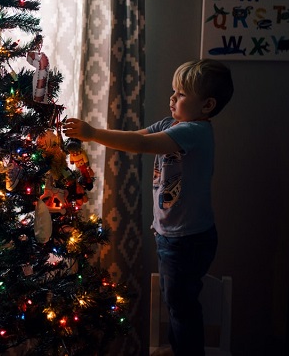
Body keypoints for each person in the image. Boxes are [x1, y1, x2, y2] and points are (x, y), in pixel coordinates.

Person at [63, 59, 233, 356]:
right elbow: (138, 137)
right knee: (178, 303)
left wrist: (92, 134)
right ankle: (181, 348)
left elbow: (140, 146)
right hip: (174, 236)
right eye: (173, 91)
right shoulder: (172, 124)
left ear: (207, 105)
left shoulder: (194, 132)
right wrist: (94, 133)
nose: (172, 98)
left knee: (181, 307)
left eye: (180, 94)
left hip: (187, 239)